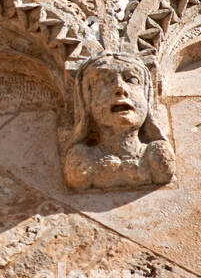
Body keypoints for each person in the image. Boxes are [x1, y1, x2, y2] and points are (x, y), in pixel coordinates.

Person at [63, 53, 174, 190]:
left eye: (132, 80)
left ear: (147, 96)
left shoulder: (157, 155)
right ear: (86, 99)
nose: (120, 88)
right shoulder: (82, 159)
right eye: (103, 81)